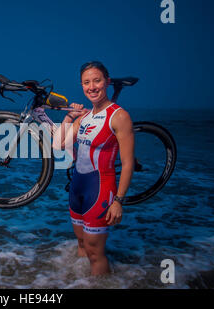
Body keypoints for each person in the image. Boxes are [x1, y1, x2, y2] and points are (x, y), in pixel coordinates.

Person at [52, 61, 134, 276]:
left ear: (106, 82)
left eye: (97, 81)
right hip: (77, 189)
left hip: (100, 190)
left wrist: (118, 201)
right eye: (86, 83)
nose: (92, 87)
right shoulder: (85, 117)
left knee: (95, 253)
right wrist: (70, 116)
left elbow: (127, 163)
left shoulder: (119, 116)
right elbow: (58, 144)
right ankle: (79, 280)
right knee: (81, 245)